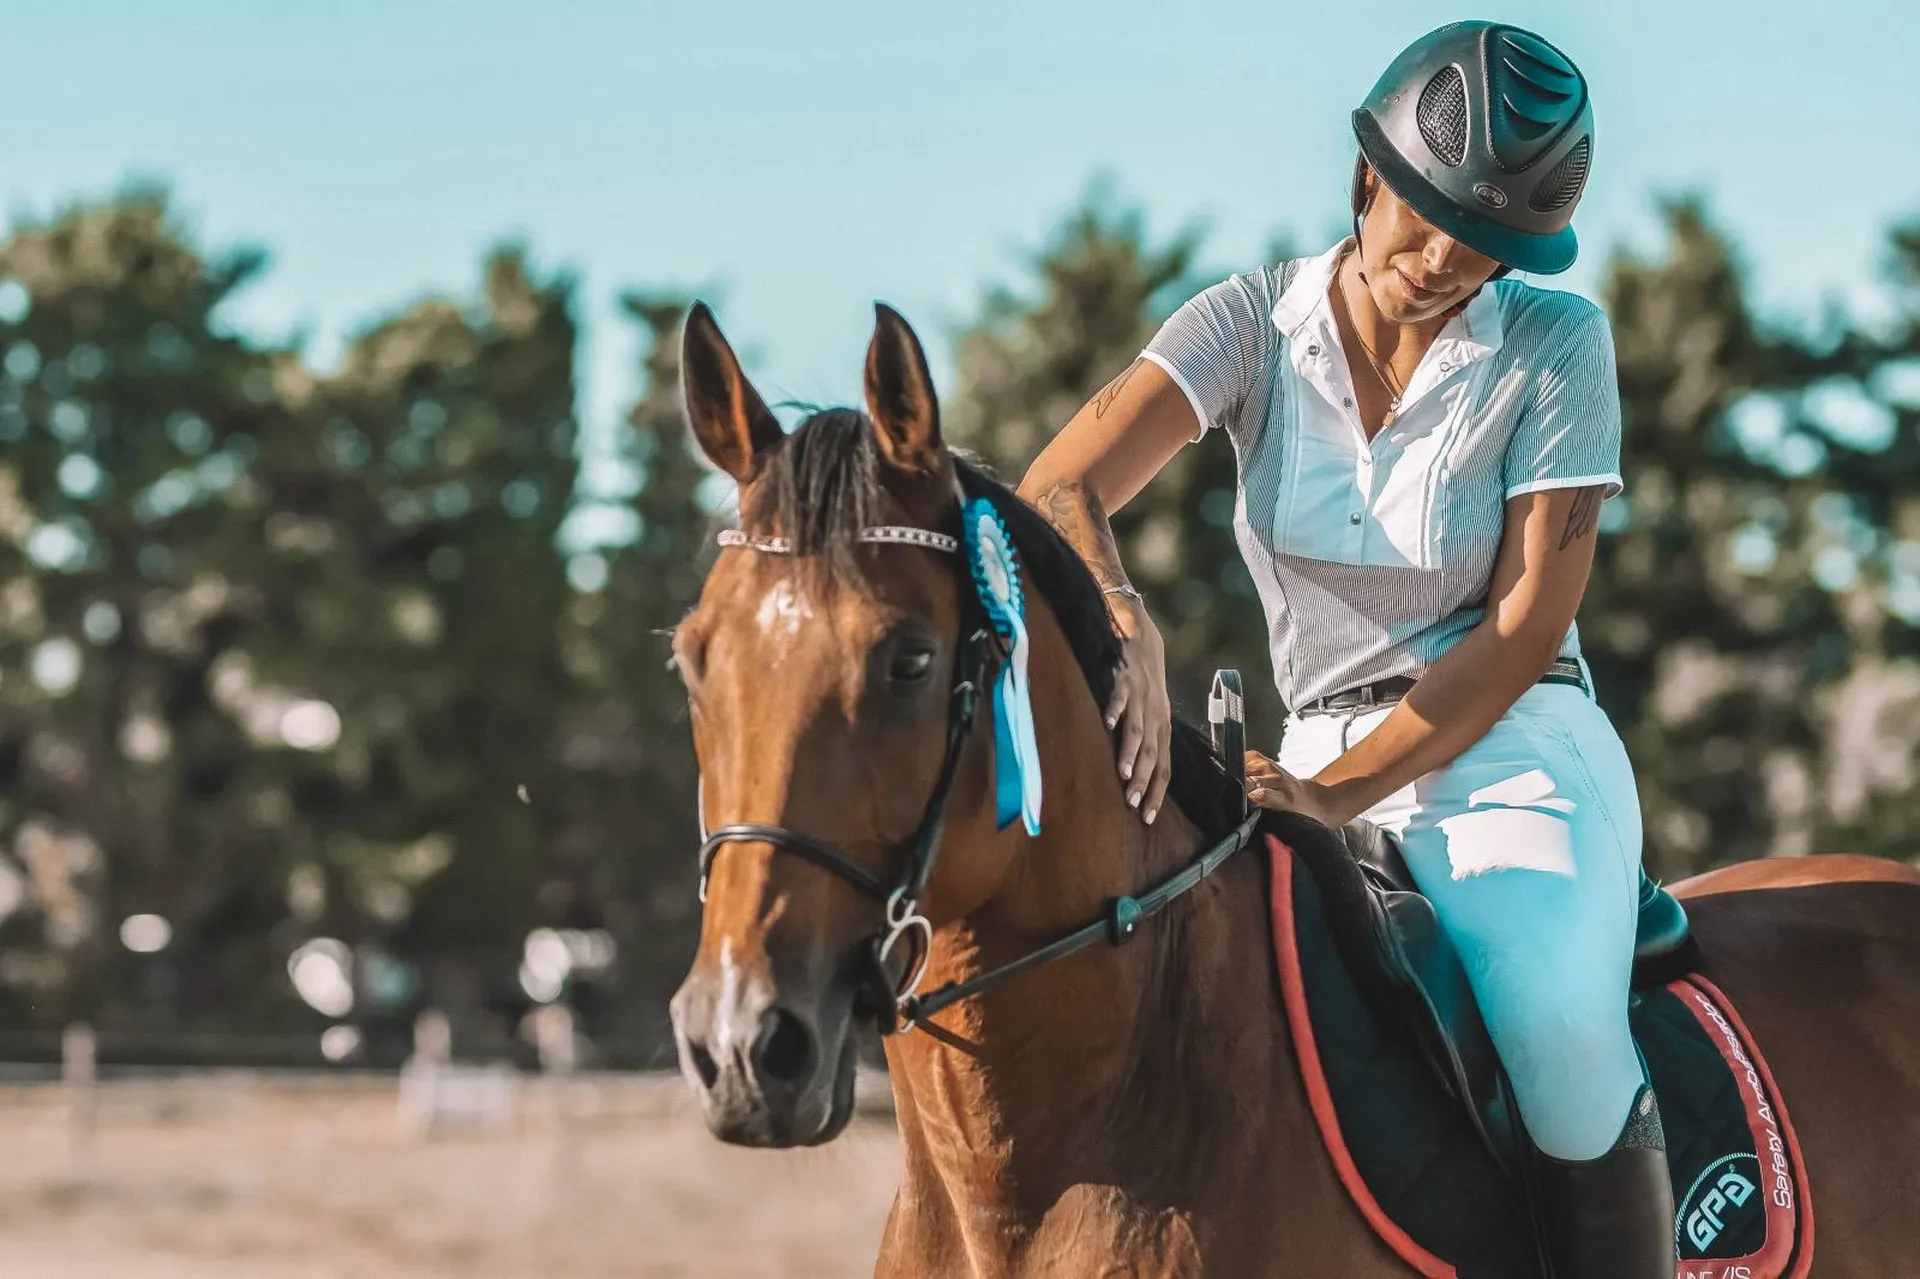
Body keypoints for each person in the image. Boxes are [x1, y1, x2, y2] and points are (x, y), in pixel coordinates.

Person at [1018, 21, 1678, 1277]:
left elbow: (1526, 622)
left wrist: (1335, 792)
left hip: (1516, 745)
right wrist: (1123, 613)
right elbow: (1061, 486)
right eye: (1422, 218)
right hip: (1303, 744)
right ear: (1367, 175)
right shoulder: (1250, 322)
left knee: (1559, 1039)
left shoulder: (1556, 345)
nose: (1441, 261)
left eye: (1481, 247)